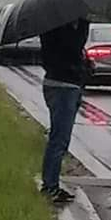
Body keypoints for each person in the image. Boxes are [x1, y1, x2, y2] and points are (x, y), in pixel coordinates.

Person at [39, 17, 90, 204]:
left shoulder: (57, 24)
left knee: (60, 138)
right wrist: (82, 25)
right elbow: (71, 48)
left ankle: (51, 183)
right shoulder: (58, 28)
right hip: (63, 86)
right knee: (59, 138)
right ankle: (50, 186)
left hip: (67, 84)